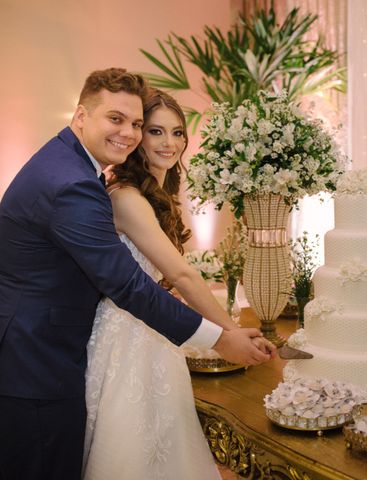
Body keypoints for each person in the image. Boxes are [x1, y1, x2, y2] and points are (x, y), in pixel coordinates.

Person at [0, 68, 274, 480]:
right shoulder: (72, 183)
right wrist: (221, 338)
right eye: (116, 119)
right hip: (38, 359)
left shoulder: (72, 165)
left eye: (135, 124)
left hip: (50, 347)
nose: (128, 133)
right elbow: (128, 286)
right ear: (80, 116)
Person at [82, 88, 248, 479]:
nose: (169, 143)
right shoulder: (126, 196)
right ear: (139, 139)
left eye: (177, 132)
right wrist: (229, 332)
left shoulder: (159, 194)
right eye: (156, 131)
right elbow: (182, 274)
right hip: (126, 336)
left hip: (155, 332)